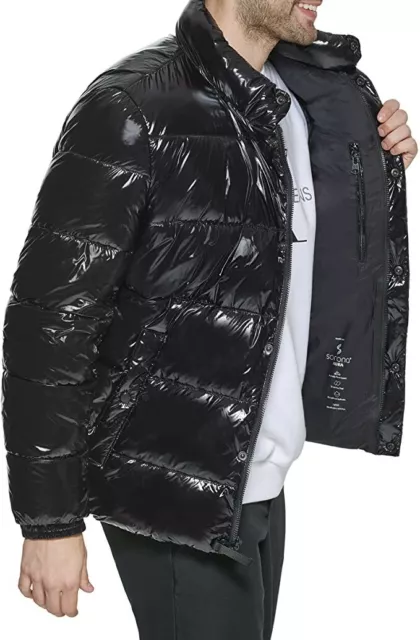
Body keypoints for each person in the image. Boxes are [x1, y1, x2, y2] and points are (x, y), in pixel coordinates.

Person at [2, 0, 417, 637]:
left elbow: (295, 264)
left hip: (256, 474)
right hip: (169, 487)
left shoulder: (301, 102)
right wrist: (48, 522)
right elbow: (52, 322)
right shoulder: (132, 108)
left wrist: (370, 164)